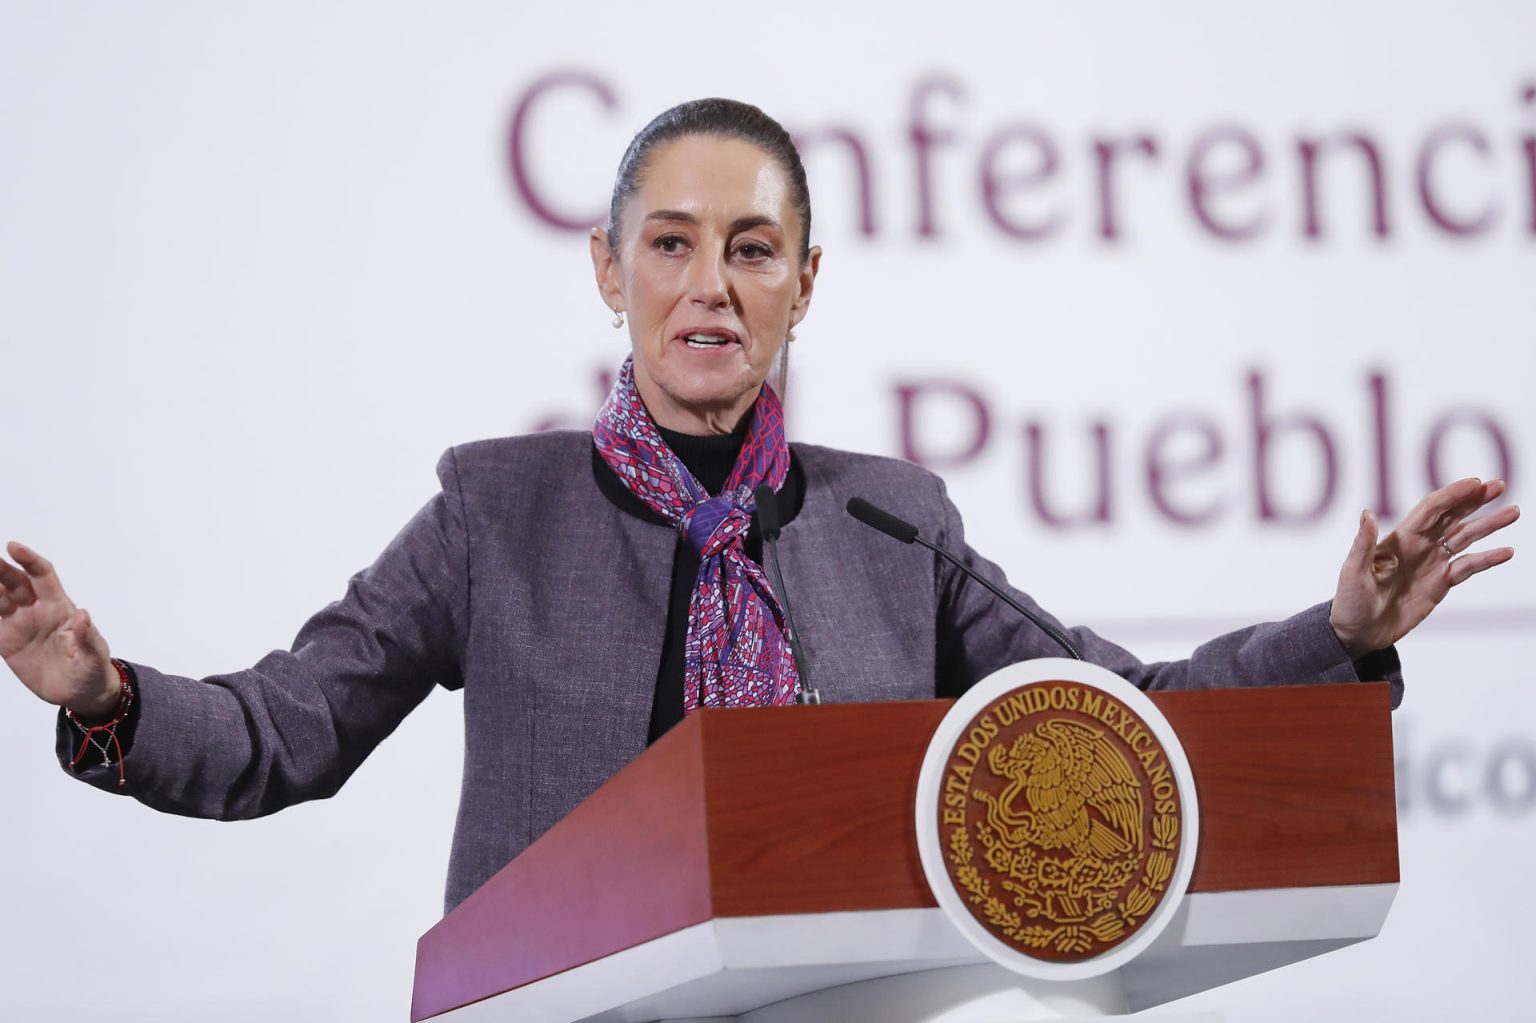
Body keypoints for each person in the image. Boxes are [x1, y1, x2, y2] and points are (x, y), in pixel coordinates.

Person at [0, 99, 1519, 913]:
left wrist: (1340, 631)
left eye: (749, 246)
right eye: (668, 244)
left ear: (805, 281)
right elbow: (286, 730)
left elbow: (1120, 715)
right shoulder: (495, 511)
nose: (707, 284)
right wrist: (103, 691)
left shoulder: (895, 526)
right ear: (612, 274)